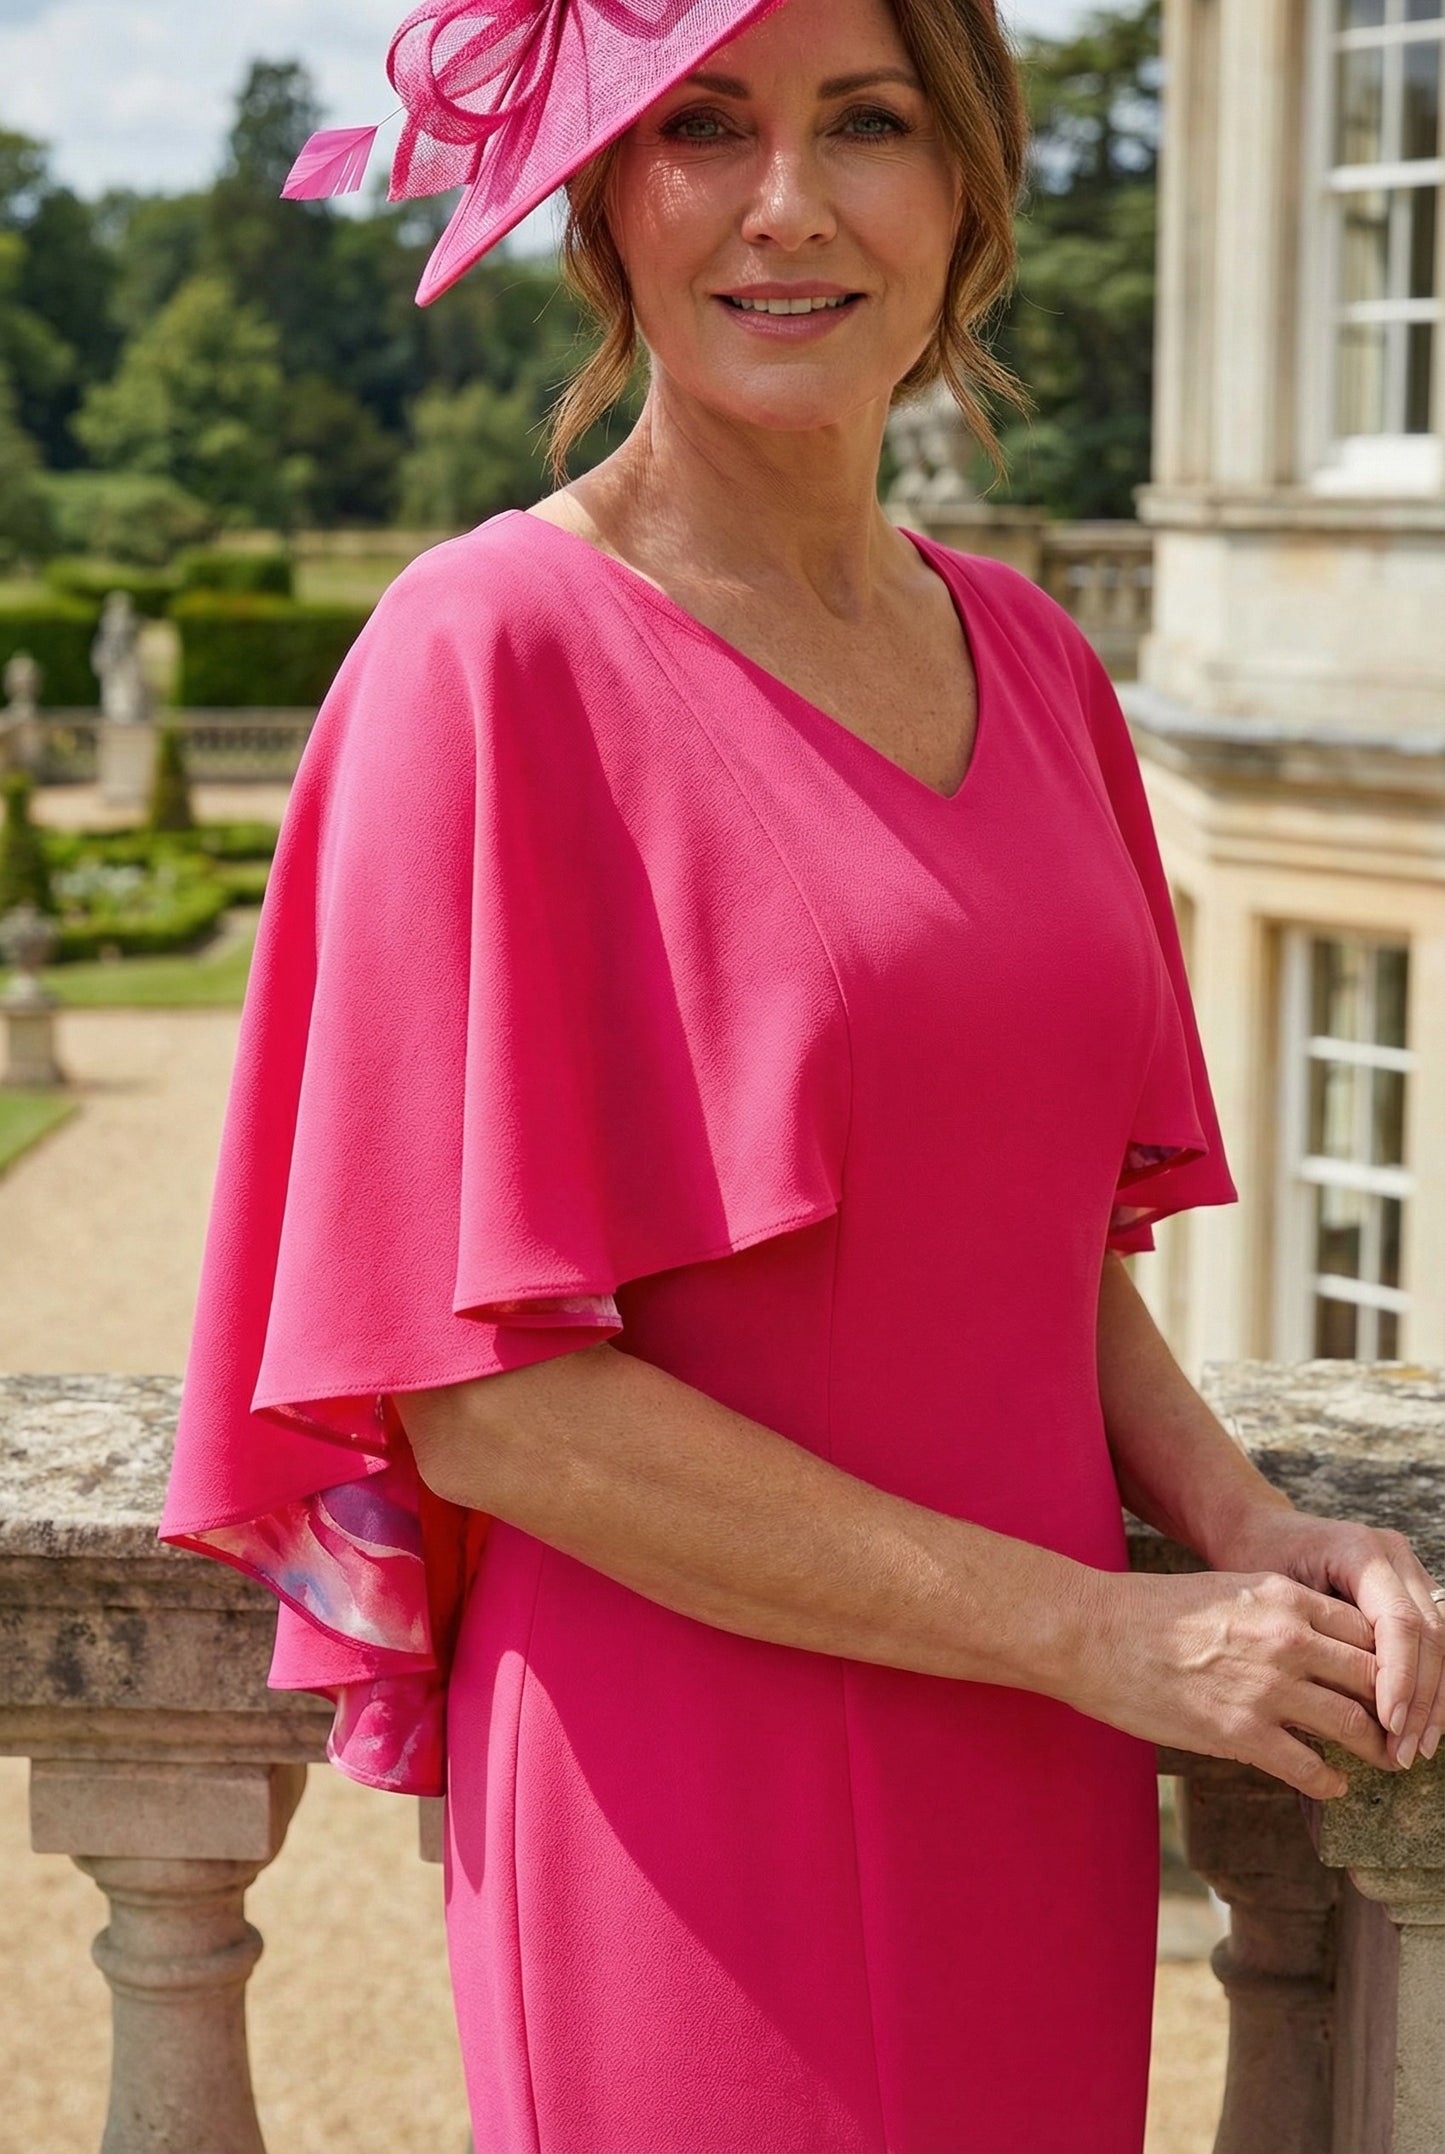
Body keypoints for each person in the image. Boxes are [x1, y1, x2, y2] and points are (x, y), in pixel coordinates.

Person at [160, 1, 1445, 2148]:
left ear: (967, 189)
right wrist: (1097, 1635)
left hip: (1031, 1767)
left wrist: (1240, 1521)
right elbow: (486, 1411)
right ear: (600, 204)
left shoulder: (1032, 658)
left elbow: (1019, 1230)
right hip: (693, 1793)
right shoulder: (484, 661)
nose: (790, 205)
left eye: (868, 123)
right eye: (700, 131)